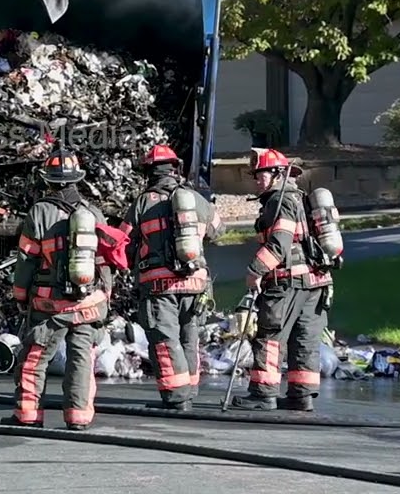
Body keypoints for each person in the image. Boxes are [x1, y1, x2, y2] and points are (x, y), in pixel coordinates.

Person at [0, 148, 125, 430]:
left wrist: (20, 294)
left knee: (34, 358)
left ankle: (28, 416)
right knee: (81, 358)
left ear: (48, 180)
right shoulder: (92, 212)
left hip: (50, 306)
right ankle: (78, 418)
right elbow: (105, 261)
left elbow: (26, 259)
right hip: (89, 303)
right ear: (76, 180)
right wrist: (104, 297)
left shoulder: (40, 212)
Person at [228, 148, 337, 413]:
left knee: (270, 336)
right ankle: (301, 396)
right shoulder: (298, 198)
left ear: (277, 174)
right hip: (315, 283)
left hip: (288, 283)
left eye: (260, 174)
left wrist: (255, 271)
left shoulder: (280, 200)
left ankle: (263, 394)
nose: (256, 180)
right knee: (304, 339)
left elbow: (279, 244)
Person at [120, 144, 224, 411]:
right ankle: (189, 391)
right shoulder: (196, 200)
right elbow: (218, 232)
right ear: (175, 169)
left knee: (165, 340)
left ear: (149, 172)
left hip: (159, 286)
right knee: (190, 337)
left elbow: (123, 244)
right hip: (196, 285)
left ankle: (176, 397)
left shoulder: (142, 203)